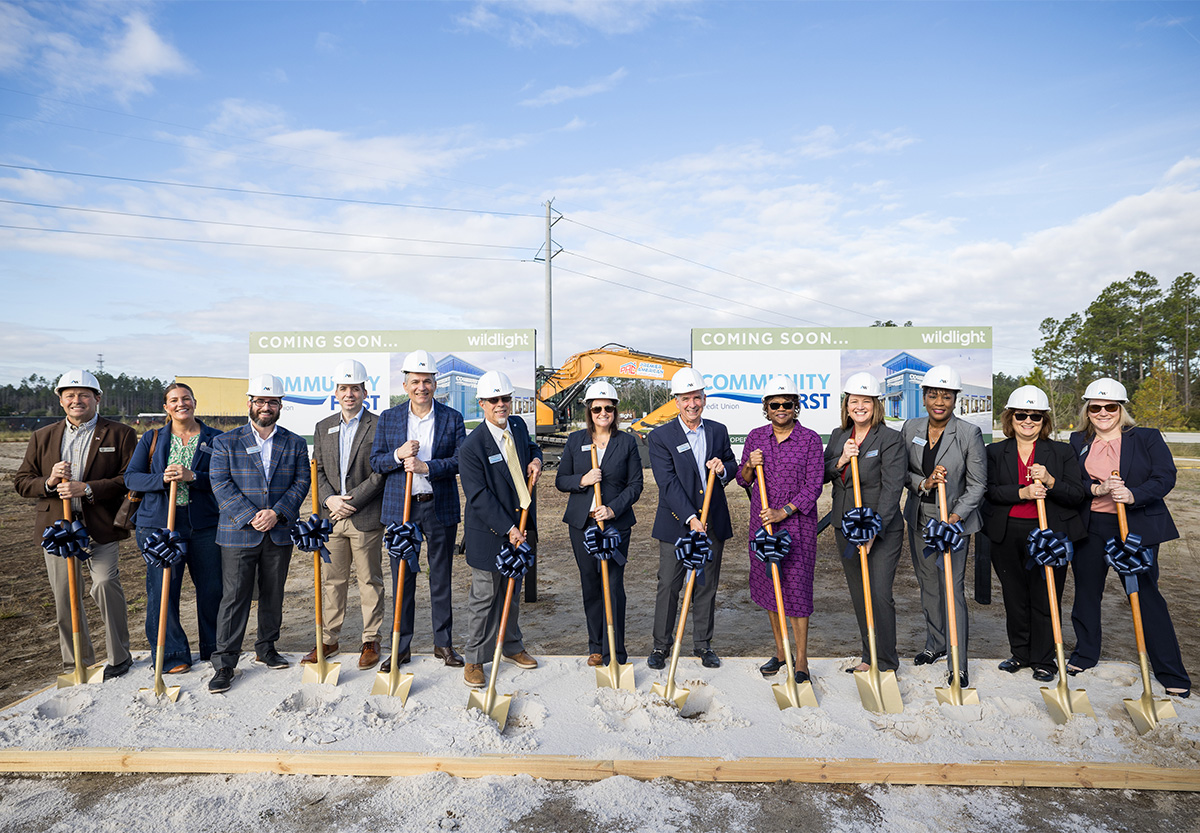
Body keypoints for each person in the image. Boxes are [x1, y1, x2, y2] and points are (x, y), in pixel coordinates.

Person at [1066, 377, 1191, 697]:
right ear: (1087, 410)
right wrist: (1098, 488)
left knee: (1146, 596)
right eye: (1096, 407)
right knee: (1086, 593)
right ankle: (1085, 653)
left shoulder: (1146, 438)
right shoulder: (1078, 439)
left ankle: (1170, 671)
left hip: (1135, 529)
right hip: (1093, 527)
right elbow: (1075, 483)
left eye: (1111, 407)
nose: (1103, 413)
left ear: (1121, 409)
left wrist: (1133, 495)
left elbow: (1165, 476)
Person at [14, 369, 136, 679]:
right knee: (66, 596)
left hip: (100, 525)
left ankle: (119, 656)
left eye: (83, 394)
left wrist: (89, 488)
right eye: (69, 395)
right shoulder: (43, 436)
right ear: (61, 400)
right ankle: (77, 662)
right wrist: (51, 481)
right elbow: (23, 482)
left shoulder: (120, 434)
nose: (76, 400)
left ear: (97, 398)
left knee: (106, 584)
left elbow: (128, 479)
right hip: (58, 530)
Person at [208, 374, 311, 694]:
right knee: (234, 596)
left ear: (280, 406)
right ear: (250, 403)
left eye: (272, 402)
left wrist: (278, 513)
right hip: (239, 532)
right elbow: (220, 483)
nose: (266, 407)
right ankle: (225, 662)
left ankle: (266, 648)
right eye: (261, 401)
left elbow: (301, 482)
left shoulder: (293, 443)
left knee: (273, 592)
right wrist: (251, 516)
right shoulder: (226, 441)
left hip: (277, 531)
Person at [370, 349, 467, 671]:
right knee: (402, 580)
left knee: (440, 579)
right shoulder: (390, 418)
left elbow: (459, 460)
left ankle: (444, 645)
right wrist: (397, 455)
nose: (421, 387)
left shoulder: (452, 418)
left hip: (438, 507)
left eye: (427, 381)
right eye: (415, 381)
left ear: (435, 384)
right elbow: (376, 462)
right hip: (402, 510)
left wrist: (428, 467)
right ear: (405, 383)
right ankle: (401, 647)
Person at [983, 385, 1085, 682]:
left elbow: (1076, 495)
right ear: (1010, 418)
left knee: (1045, 596)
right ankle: (1020, 654)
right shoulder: (994, 452)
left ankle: (1045, 659)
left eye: (1035, 416)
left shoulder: (1062, 452)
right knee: (1015, 597)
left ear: (1044, 421)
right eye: (1021, 415)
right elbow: (989, 492)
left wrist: (1051, 481)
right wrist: (1023, 492)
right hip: (1007, 532)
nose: (1028, 421)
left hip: (1048, 534)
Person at [125, 381, 224, 673]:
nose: (181, 404)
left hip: (204, 525)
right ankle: (172, 655)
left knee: (212, 589)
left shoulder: (216, 439)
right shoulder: (152, 438)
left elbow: (224, 479)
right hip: (159, 527)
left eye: (186, 398)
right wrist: (162, 480)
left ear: (195, 402)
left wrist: (193, 476)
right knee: (163, 590)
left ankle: (215, 650)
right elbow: (131, 478)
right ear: (166, 407)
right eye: (174, 400)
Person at [647, 368, 738, 670]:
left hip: (712, 521)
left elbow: (732, 464)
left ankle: (703, 645)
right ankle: (661, 646)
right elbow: (667, 482)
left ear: (704, 398)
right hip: (677, 523)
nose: (692, 404)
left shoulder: (717, 430)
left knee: (706, 585)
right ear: (676, 402)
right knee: (669, 585)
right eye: (685, 398)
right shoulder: (661, 437)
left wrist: (723, 469)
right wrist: (689, 518)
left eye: (696, 397)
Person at [735, 376, 824, 685]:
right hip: (763, 529)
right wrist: (749, 463)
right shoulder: (755, 437)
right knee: (770, 590)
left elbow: (814, 486)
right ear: (766, 408)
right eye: (775, 404)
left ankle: (801, 659)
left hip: (797, 528)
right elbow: (742, 480)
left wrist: (783, 511)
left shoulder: (810, 439)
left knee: (797, 592)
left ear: (795, 407)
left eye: (787, 404)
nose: (781, 409)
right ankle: (781, 651)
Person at [901, 364, 986, 687]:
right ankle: (935, 644)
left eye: (946, 396)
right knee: (929, 586)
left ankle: (958, 661)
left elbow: (978, 485)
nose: (940, 401)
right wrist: (923, 483)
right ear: (924, 397)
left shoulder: (968, 434)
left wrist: (955, 517)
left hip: (953, 525)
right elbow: (903, 472)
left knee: (952, 590)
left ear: (955, 399)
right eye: (933, 394)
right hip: (920, 517)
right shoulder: (911, 427)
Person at [458, 370, 542, 688]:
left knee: (513, 592)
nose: (501, 404)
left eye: (505, 398)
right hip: (491, 534)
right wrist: (508, 528)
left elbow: (532, 448)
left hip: (522, 524)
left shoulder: (518, 426)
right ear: (482, 403)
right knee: (484, 597)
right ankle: (474, 659)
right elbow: (479, 497)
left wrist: (536, 460)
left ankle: (511, 646)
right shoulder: (472, 447)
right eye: (494, 399)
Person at [555, 381, 644, 667]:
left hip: (615, 525)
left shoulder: (627, 442)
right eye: (597, 409)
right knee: (591, 585)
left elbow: (635, 485)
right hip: (582, 524)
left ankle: (615, 650)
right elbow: (560, 480)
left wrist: (613, 509)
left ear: (614, 410)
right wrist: (583, 480)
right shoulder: (575, 440)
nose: (602, 413)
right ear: (589, 411)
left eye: (608, 408)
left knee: (614, 586)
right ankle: (596, 646)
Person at [824, 372, 906, 675]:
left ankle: (886, 662)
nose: (859, 406)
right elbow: (821, 474)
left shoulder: (889, 439)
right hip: (844, 526)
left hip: (880, 529)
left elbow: (893, 487)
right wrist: (842, 459)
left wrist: (874, 530)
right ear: (847, 405)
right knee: (859, 595)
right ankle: (868, 655)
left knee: (880, 594)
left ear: (876, 404)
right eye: (854, 401)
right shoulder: (837, 436)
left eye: (866, 401)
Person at [306, 360, 386, 671]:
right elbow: (319, 469)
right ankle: (329, 638)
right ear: (335, 392)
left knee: (370, 580)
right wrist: (328, 499)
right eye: (343, 388)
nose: (349, 393)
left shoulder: (378, 425)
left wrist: (351, 501)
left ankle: (371, 639)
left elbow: (381, 471)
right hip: (332, 517)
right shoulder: (323, 427)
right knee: (333, 580)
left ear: (365, 392)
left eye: (355, 388)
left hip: (364, 515)